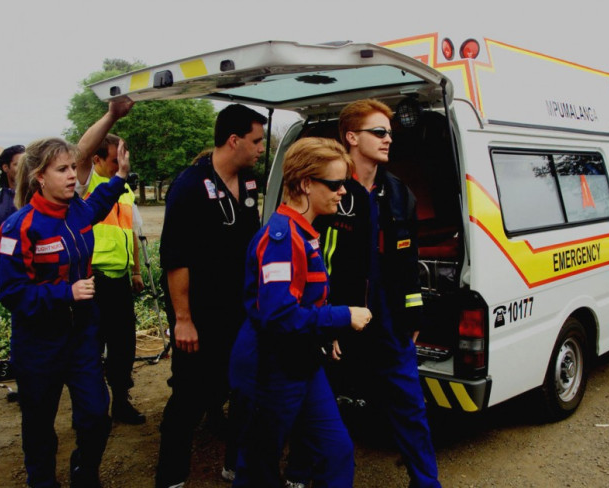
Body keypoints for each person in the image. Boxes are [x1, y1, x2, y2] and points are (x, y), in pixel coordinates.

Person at [313, 99, 441, 487]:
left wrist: (414, 315)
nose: (388, 139)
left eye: (390, 132)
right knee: (321, 413)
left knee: (411, 410)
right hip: (339, 322)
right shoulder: (328, 192)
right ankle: (307, 476)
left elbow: (410, 263)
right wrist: (326, 322)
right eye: (379, 132)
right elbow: (315, 263)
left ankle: (426, 482)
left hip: (390, 324)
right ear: (351, 137)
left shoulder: (399, 193)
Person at [230, 137, 371, 488]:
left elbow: (305, 302)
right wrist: (342, 316)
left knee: (336, 451)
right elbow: (278, 316)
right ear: (306, 184)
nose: (342, 192)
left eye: (345, 184)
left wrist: (324, 333)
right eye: (335, 184)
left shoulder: (305, 232)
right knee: (259, 468)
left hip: (302, 362)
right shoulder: (281, 239)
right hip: (270, 369)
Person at [0, 130, 132, 488]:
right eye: (62, 169)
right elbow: (10, 292)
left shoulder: (77, 211)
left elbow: (99, 203)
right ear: (40, 177)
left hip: (82, 337)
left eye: (73, 167)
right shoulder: (18, 227)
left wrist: (119, 178)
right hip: (38, 344)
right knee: (39, 423)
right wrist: (65, 293)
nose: (73, 175)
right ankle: (41, 481)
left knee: (95, 416)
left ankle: (84, 473)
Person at [155, 104, 266, 488]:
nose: (261, 148)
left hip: (241, 312)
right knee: (189, 397)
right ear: (234, 140)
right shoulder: (189, 187)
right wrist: (183, 320)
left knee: (243, 390)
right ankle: (171, 477)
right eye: (256, 141)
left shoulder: (249, 182)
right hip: (199, 316)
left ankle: (235, 464)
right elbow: (175, 259)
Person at [75, 133, 146, 425]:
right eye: (115, 160)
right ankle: (91, 408)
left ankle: (120, 401)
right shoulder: (87, 185)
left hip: (120, 280)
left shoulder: (125, 190)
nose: (121, 166)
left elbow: (130, 233)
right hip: (94, 279)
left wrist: (136, 270)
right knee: (91, 345)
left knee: (123, 345)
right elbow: (80, 152)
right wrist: (112, 116)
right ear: (96, 159)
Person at [0, 144, 24, 276]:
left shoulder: (36, 195)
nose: (23, 168)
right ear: (5, 168)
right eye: (17, 164)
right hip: (5, 271)